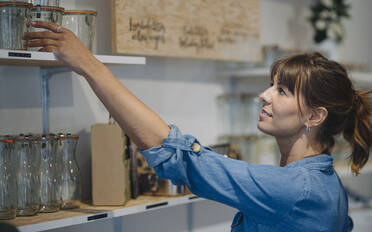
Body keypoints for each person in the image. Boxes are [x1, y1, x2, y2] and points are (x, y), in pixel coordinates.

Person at [23, 21, 372, 232]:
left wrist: (89, 65)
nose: (264, 96)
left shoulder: (294, 188)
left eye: (282, 91)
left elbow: (179, 157)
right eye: (271, 84)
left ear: (315, 117)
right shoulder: (325, 182)